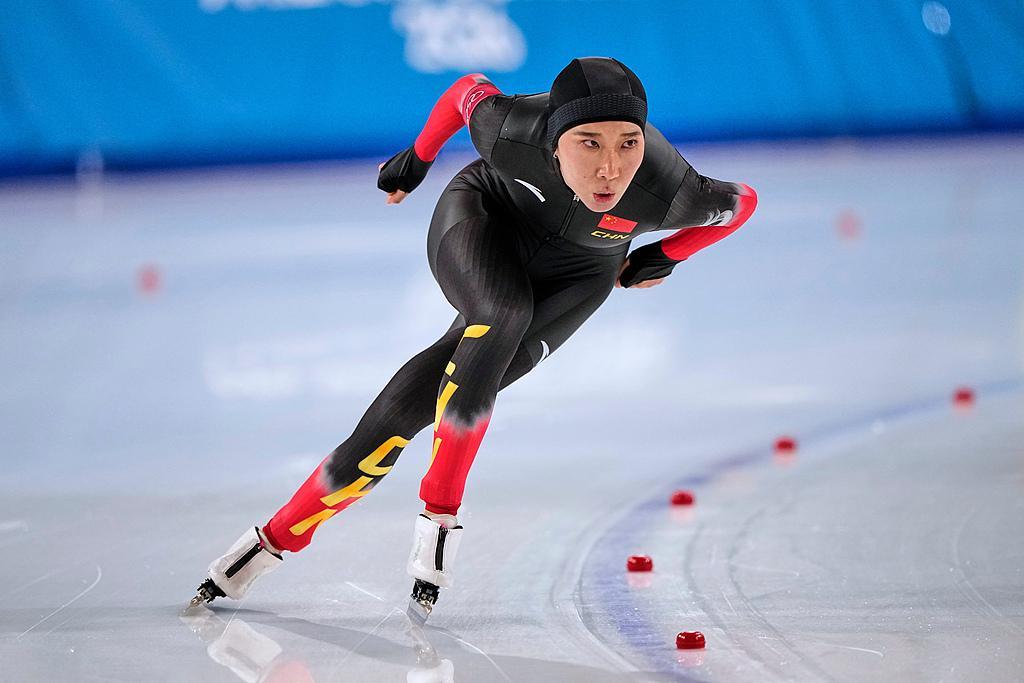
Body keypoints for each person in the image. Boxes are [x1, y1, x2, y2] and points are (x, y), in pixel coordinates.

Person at [189, 57, 757, 618]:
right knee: (502, 311)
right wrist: (417, 158)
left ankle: (267, 544)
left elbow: (743, 204)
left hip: (579, 276)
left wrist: (667, 254)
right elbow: (466, 90)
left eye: (628, 143)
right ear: (553, 140)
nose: (610, 167)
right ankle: (441, 513)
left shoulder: (672, 189)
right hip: (484, 219)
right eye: (589, 143)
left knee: (404, 413)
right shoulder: (510, 128)